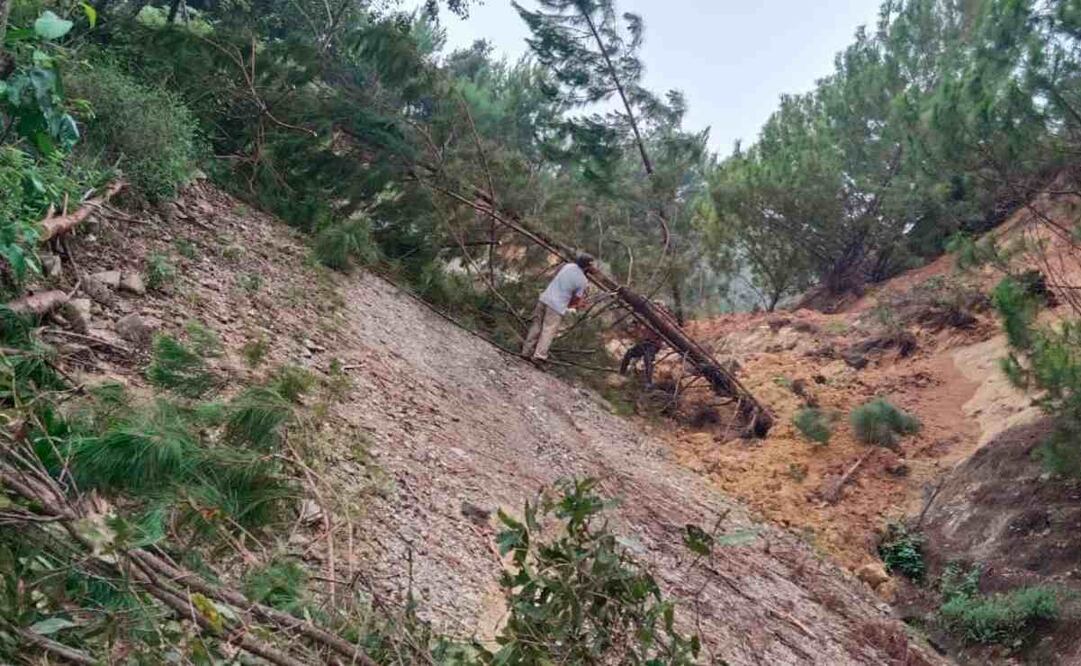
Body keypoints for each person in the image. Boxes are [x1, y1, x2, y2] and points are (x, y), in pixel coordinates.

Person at [521, 254, 595, 363]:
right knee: (548, 331)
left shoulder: (567, 266)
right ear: (587, 266)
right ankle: (539, 356)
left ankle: (526, 351)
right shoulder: (583, 281)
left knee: (536, 326)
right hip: (556, 306)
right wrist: (576, 305)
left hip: (544, 298)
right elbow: (576, 299)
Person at [619, 301, 675, 387]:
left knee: (647, 358)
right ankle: (621, 374)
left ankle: (649, 382)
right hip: (645, 343)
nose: (656, 308)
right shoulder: (648, 316)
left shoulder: (663, 318)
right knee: (629, 353)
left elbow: (667, 328)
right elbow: (637, 324)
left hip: (654, 344)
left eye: (658, 306)